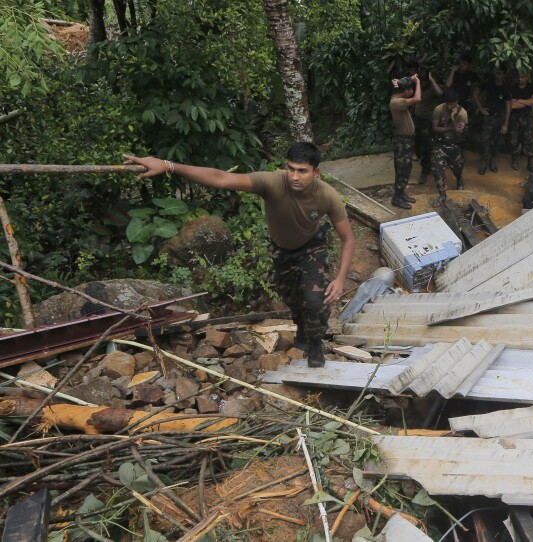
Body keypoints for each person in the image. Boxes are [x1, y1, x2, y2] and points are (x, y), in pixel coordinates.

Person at [122, 143, 355, 368]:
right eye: (291, 169)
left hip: (312, 249)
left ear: (316, 172)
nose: (294, 176)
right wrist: (168, 166)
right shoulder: (273, 182)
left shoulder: (327, 196)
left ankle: (315, 342)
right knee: (293, 299)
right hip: (282, 251)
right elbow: (221, 178)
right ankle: (302, 326)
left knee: (315, 299)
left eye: (302, 171)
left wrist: (341, 278)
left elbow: (348, 238)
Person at [431, 88, 468, 205]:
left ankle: (459, 179)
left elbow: (458, 133)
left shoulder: (462, 113)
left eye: (452, 103)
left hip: (454, 146)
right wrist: (450, 128)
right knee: (438, 170)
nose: (450, 106)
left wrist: (452, 119)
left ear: (457, 101)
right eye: (448, 103)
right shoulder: (439, 109)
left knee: (457, 169)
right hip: (440, 145)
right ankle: (442, 195)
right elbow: (435, 128)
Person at [389, 74, 421, 209]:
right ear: (405, 91)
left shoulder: (398, 96)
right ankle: (396, 198)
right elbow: (418, 98)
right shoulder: (397, 102)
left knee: (406, 168)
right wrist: (417, 81)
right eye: (410, 89)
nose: (412, 91)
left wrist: (405, 79)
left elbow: (398, 84)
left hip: (405, 140)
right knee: (403, 169)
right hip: (402, 141)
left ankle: (401, 193)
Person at [473, 67, 511, 175]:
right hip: (488, 117)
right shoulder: (488, 84)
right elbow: (475, 94)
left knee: (497, 141)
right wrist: (480, 109)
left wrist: (506, 124)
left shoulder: (506, 88)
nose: (499, 76)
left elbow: (508, 106)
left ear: (504, 75)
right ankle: (484, 162)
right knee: (484, 141)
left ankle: (493, 161)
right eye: (498, 73)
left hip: (500, 118)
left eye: (501, 74)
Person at [413, 69, 443, 184]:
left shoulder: (431, 88)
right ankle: (426, 165)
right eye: (420, 82)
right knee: (417, 145)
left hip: (427, 122)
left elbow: (441, 93)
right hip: (417, 121)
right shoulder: (418, 86)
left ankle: (425, 171)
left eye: (423, 82)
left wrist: (432, 80)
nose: (421, 84)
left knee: (426, 147)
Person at [509, 70, 533, 174]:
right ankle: (515, 159)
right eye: (519, 77)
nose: (520, 79)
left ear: (526, 77)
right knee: (514, 139)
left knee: (529, 139)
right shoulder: (513, 87)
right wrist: (527, 102)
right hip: (515, 116)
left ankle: (530, 163)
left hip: (527, 117)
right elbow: (512, 105)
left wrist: (520, 100)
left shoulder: (531, 87)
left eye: (522, 77)